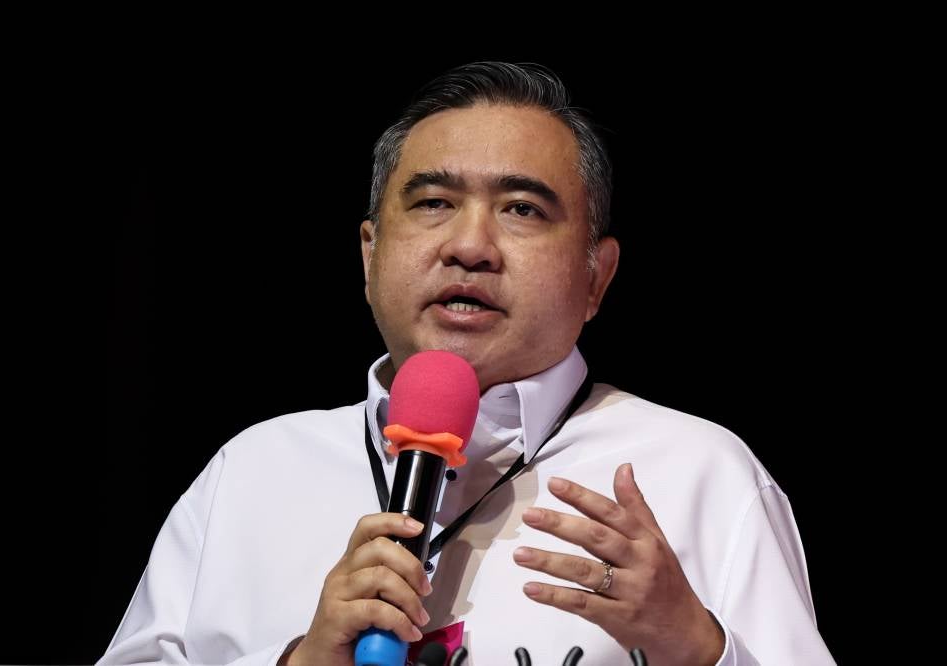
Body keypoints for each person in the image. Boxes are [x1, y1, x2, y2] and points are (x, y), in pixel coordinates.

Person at [99, 62, 835, 665]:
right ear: (369, 254)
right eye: (432, 203)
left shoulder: (698, 472)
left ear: (596, 278)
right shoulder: (253, 470)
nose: (470, 246)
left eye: (522, 209)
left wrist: (698, 647)